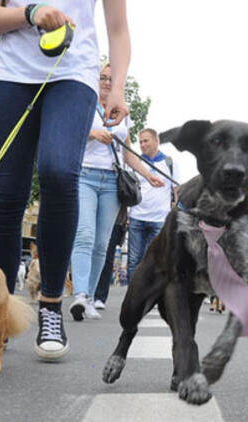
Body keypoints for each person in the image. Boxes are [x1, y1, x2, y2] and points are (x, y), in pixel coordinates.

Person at [0, 0, 130, 361]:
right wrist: (29, 13)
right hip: (10, 76)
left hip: (73, 74)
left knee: (58, 171)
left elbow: (118, 29)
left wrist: (117, 87)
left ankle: (51, 306)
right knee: (7, 195)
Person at [69, 63, 162, 322]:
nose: (108, 82)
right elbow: (70, 136)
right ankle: (79, 293)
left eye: (112, 78)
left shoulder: (123, 113)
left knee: (102, 243)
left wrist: (148, 174)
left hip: (112, 181)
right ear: (95, 79)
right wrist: (93, 134)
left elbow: (127, 151)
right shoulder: (84, 103)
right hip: (85, 176)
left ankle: (88, 298)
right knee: (84, 235)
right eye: (103, 77)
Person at [126, 128, 179, 283]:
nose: (142, 145)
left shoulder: (170, 163)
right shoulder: (135, 163)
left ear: (156, 141)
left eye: (146, 141)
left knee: (156, 261)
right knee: (134, 261)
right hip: (137, 217)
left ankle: (152, 299)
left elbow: (176, 191)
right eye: (140, 141)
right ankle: (133, 301)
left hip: (160, 220)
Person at [93, 206, 128, 310]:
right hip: (91, 213)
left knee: (107, 254)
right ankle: (84, 292)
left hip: (115, 215)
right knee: (88, 250)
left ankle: (100, 296)